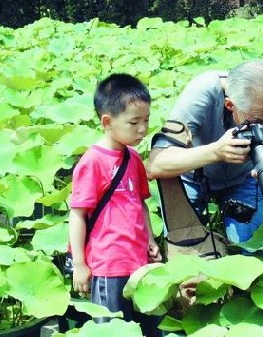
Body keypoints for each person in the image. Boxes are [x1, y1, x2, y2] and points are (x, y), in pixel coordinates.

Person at [146, 60, 263, 245]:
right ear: (230, 105)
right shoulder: (202, 92)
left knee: (246, 250)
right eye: (256, 122)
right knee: (187, 256)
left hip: (244, 179)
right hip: (191, 175)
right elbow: (155, 165)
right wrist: (216, 152)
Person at [68, 73, 162, 337]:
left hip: (139, 262)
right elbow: (77, 215)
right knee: (113, 331)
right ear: (107, 122)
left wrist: (150, 240)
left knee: (151, 329)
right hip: (108, 266)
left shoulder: (133, 158)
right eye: (134, 122)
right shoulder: (92, 162)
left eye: (146, 120)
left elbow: (140, 205)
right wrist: (79, 264)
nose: (143, 129)